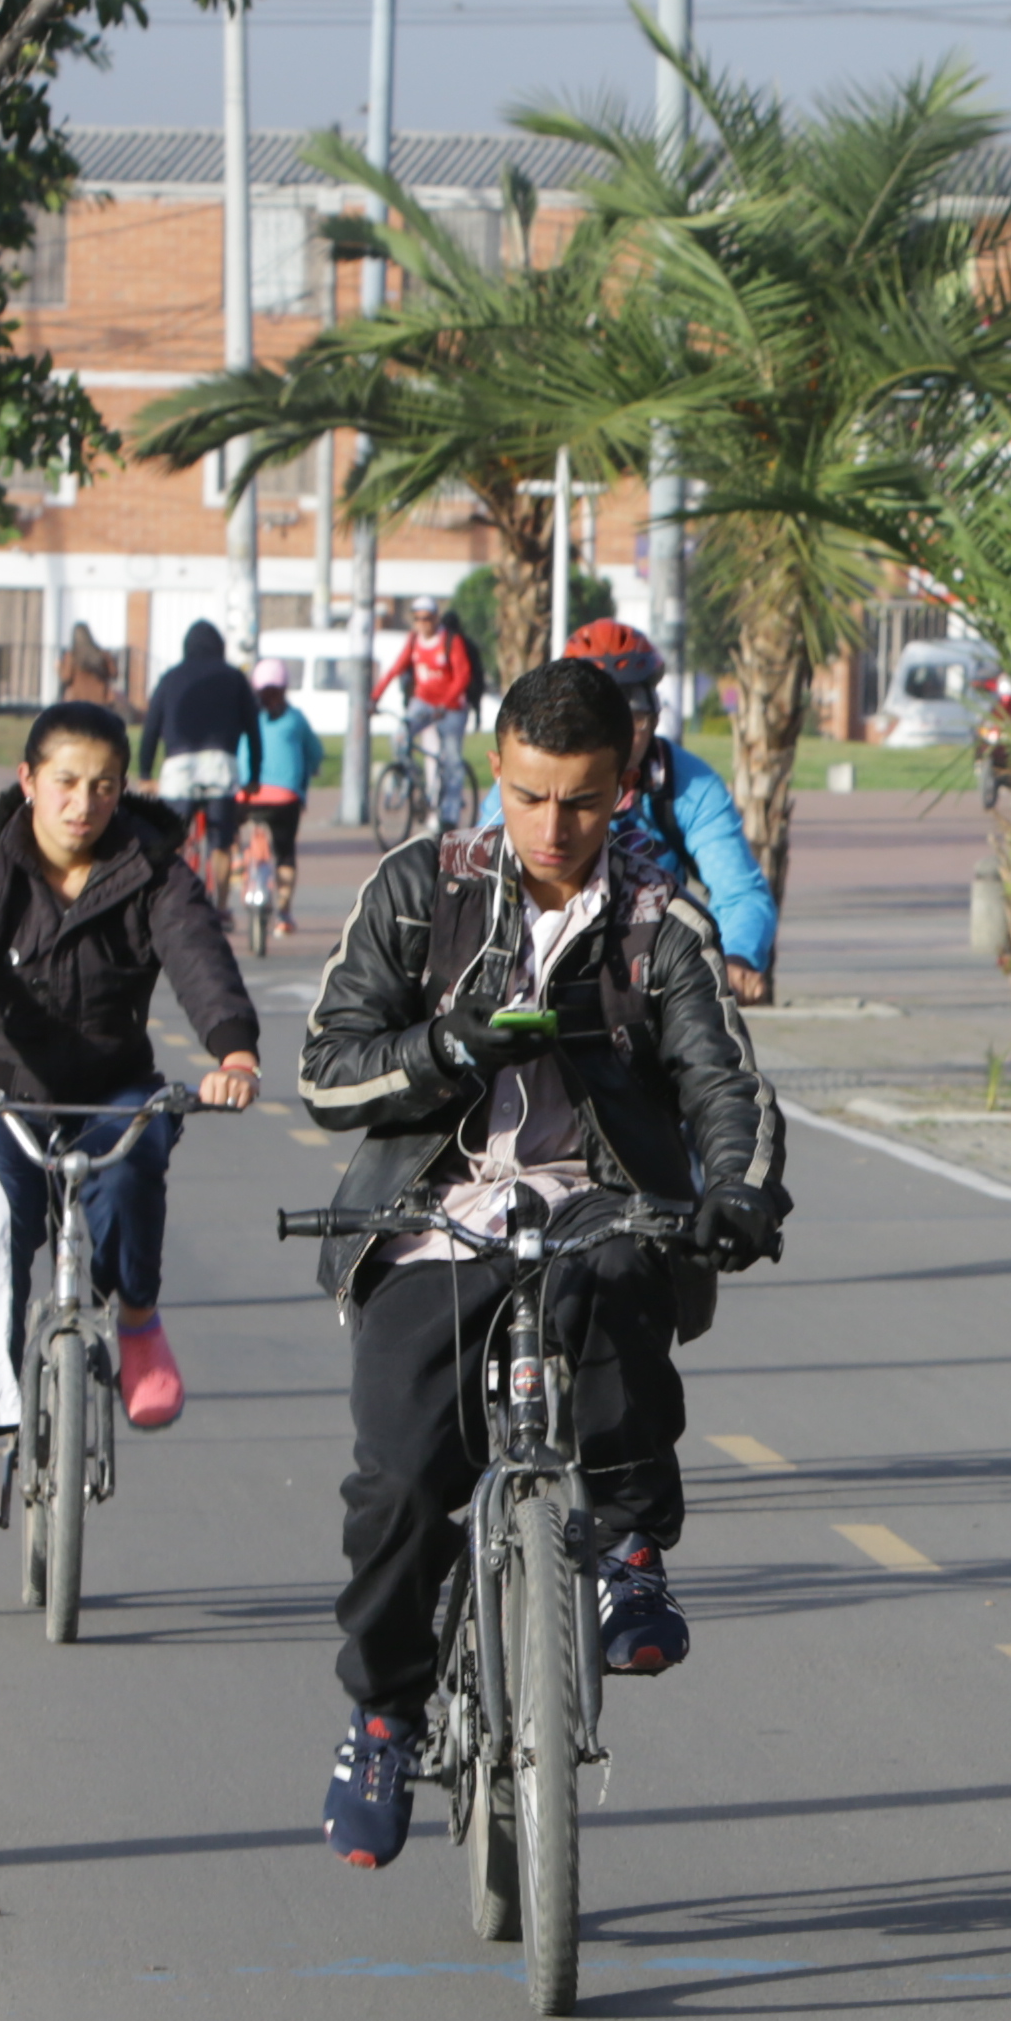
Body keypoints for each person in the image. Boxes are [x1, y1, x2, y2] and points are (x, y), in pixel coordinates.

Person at [298, 655, 789, 1865]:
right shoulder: (418, 892)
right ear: (494, 775)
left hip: (595, 1206)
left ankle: (628, 1551)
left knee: (621, 1282)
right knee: (404, 1478)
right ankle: (383, 1715)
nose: (551, 828)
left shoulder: (659, 925)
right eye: (527, 796)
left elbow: (724, 1081)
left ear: (622, 788)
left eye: (580, 800)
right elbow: (325, 1067)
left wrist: (738, 1192)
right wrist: (437, 1048)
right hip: (435, 1221)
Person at [0, 700, 265, 1528]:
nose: (81, 804)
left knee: (135, 1164)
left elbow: (200, 957)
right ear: (27, 781)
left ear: (123, 789)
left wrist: (233, 1050)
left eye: (102, 786)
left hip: (108, 1093)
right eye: (63, 782)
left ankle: (134, 1320)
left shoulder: (155, 870)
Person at [534, 618, 779, 1000]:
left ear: (655, 715)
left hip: (652, 970)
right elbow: (487, 878)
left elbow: (740, 892)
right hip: (544, 965)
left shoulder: (688, 783)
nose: (613, 737)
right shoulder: (528, 775)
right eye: (595, 720)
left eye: (632, 718)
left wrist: (736, 957)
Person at [140, 616, 258, 879]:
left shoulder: (169, 678)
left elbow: (150, 728)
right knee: (222, 845)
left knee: (172, 841)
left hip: (179, 767)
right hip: (221, 765)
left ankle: (172, 895)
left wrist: (146, 774)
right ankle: (221, 907)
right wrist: (255, 777)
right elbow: (253, 730)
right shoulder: (235, 677)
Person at [239, 660, 324, 934]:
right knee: (285, 854)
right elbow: (315, 754)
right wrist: (310, 770)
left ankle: (236, 865)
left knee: (230, 831)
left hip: (248, 795)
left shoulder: (246, 718)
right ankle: (284, 913)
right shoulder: (296, 720)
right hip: (286, 798)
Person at [374, 610, 480, 813]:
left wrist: (446, 702)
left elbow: (463, 676)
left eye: (426, 619)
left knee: (451, 759)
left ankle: (450, 812)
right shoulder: (414, 640)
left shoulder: (451, 641)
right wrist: (375, 697)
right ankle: (411, 776)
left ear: (435, 619)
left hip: (451, 707)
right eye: (417, 619)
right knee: (400, 737)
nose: (421, 624)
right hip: (422, 701)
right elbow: (395, 669)